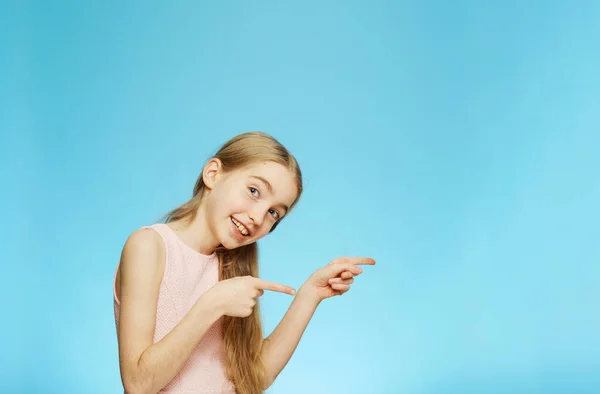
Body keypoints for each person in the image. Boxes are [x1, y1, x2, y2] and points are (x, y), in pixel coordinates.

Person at [112, 131, 375, 394]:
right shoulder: (149, 246)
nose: (259, 217)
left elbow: (251, 378)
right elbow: (138, 384)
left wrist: (310, 294)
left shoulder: (234, 266)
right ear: (213, 174)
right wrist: (211, 305)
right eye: (253, 191)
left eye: (274, 212)